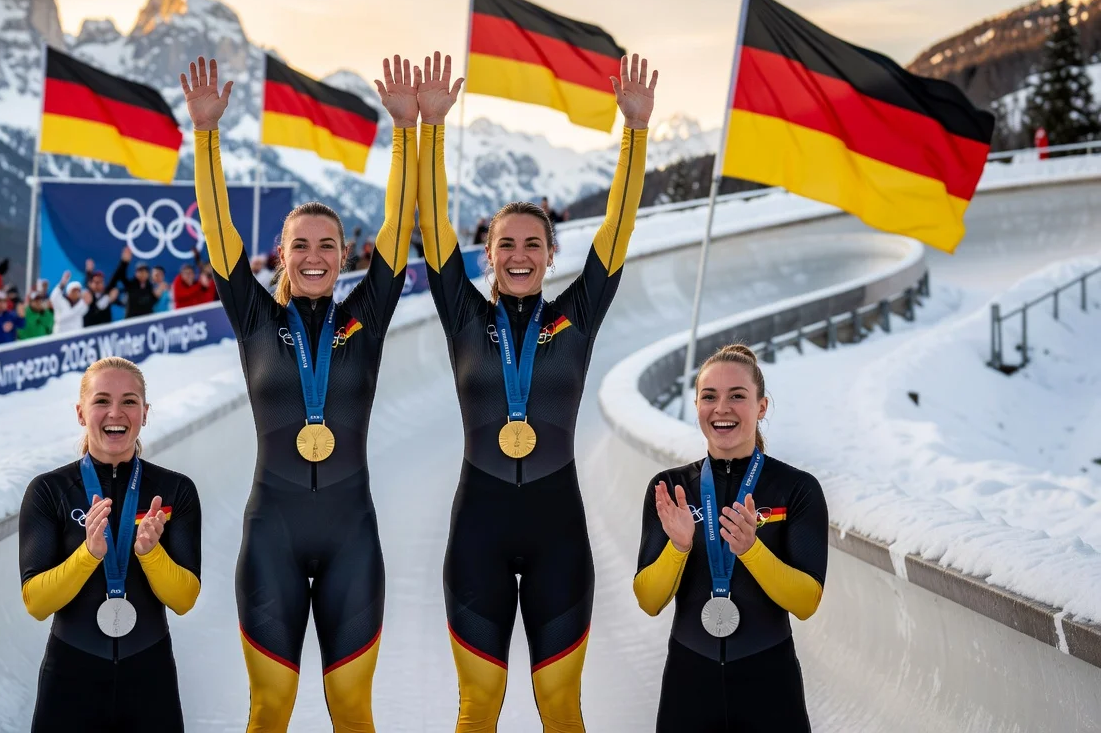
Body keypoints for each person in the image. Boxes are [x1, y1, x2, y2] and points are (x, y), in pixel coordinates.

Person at [416, 52, 653, 731]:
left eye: (532, 242)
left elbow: (620, 227)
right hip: (478, 534)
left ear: (551, 254)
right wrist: (432, 129)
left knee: (560, 708)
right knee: (478, 708)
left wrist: (634, 131)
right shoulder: (463, 314)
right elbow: (433, 230)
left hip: (558, 533)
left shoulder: (574, 316)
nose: (518, 253)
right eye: (504, 243)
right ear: (486, 254)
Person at [183, 53, 419, 731]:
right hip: (272, 538)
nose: (314, 256)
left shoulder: (364, 319)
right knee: (269, 709)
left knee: (351, 708)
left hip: (352, 538)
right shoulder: (256, 316)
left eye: (327, 244)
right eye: (299, 246)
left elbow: (399, 230)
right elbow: (218, 226)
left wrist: (404, 133)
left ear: (347, 254)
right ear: (280, 257)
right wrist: (206, 135)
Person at [635, 344, 828, 732]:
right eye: (710, 396)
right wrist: (679, 547)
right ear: (696, 406)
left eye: (737, 396)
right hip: (689, 685)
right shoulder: (671, 489)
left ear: (761, 408)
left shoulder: (796, 489)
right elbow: (648, 600)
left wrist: (751, 550)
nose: (721, 408)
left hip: (770, 686)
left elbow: (806, 602)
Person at [18, 357, 201, 732]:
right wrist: (88, 556)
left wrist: (151, 555)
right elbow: (36, 602)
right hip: (70, 681)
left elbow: (184, 599)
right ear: (81, 413)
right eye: (101, 400)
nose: (115, 412)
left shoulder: (174, 490)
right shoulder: (48, 491)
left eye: (129, 401)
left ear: (145, 413)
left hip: (150, 681)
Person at [110, 249, 167, 318]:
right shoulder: (130, 285)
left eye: (145, 271)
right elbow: (121, 276)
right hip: (132, 321)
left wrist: (156, 297)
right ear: (136, 273)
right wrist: (124, 263)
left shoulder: (150, 286)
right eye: (140, 271)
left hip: (147, 321)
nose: (142, 274)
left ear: (148, 274)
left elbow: (151, 302)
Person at [82, 261, 119, 328]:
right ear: (90, 284)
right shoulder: (88, 295)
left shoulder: (106, 294)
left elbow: (114, 279)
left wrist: (113, 297)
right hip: (89, 332)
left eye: (101, 282)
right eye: (97, 282)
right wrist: (88, 272)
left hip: (106, 332)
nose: (99, 284)